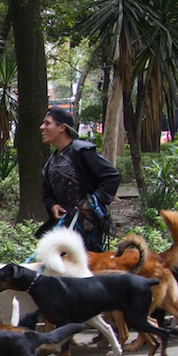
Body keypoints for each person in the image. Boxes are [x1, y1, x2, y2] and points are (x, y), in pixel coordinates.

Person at [37, 107, 121, 252]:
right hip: (64, 228)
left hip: (86, 228)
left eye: (47, 123)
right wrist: (52, 205)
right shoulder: (51, 161)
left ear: (62, 127)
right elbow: (48, 192)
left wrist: (92, 201)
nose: (42, 127)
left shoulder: (82, 152)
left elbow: (112, 176)